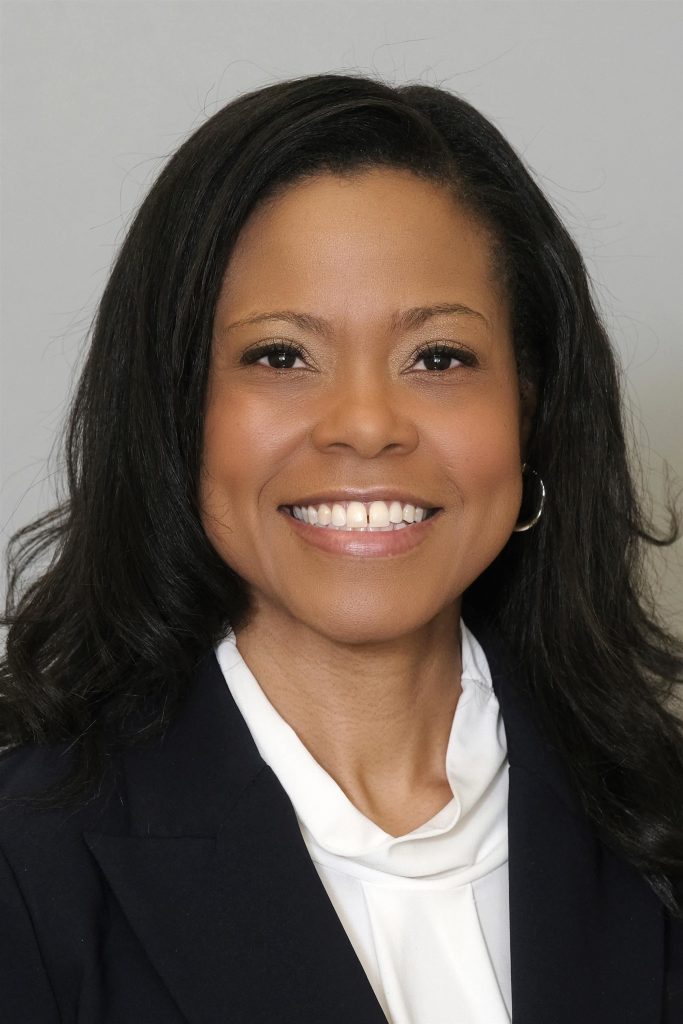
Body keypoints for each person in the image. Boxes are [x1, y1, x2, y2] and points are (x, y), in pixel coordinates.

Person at [0, 71, 681, 1024]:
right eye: (280, 356)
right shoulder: (25, 867)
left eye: (438, 358)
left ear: (531, 410)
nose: (365, 425)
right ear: (175, 412)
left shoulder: (661, 823)